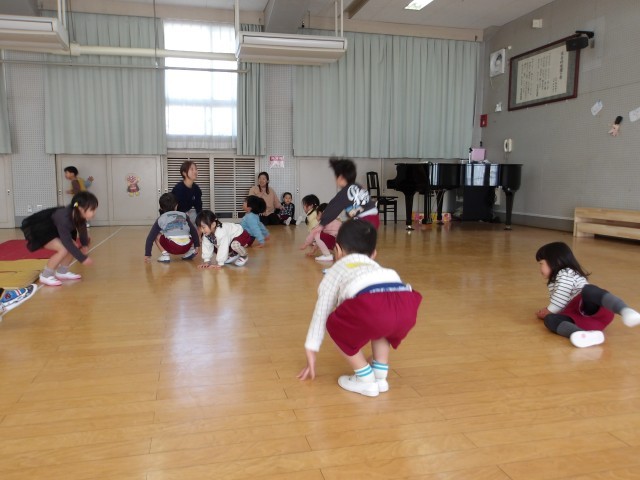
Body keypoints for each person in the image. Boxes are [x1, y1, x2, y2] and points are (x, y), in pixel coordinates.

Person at [297, 220, 422, 397]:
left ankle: (365, 378)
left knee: (334, 323)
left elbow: (322, 311)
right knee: (381, 325)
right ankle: (380, 375)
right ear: (374, 253)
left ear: (337, 250)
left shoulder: (336, 269)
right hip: (405, 304)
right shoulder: (376, 266)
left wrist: (311, 347)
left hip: (373, 306)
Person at [535, 242, 640, 348]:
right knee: (550, 319)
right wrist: (550, 314)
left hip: (593, 307)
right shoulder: (555, 280)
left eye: (541, 263)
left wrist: (549, 310)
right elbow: (562, 303)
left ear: (555, 261)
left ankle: (624, 310)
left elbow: (560, 299)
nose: (540, 268)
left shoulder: (565, 272)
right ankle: (582, 334)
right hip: (585, 320)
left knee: (588, 290)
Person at [20, 191, 98, 286]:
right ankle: (45, 275)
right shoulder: (63, 218)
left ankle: (62, 272)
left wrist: (84, 245)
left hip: (55, 230)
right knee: (63, 249)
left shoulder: (79, 215)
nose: (94, 213)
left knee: (74, 245)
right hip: (42, 231)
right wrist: (82, 259)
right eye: (92, 209)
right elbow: (67, 242)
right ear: (81, 209)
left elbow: (82, 230)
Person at [314, 158, 379, 242]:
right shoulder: (358, 186)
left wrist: (322, 222)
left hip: (364, 221)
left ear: (340, 178)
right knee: (363, 242)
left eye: (335, 177)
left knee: (345, 238)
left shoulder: (344, 192)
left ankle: (339, 248)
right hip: (375, 218)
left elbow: (333, 208)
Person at [144, 193, 200, 263]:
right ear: (176, 206)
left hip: (172, 247)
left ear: (161, 208)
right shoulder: (184, 215)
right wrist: (197, 245)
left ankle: (165, 255)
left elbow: (150, 237)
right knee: (188, 230)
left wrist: (147, 254)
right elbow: (194, 231)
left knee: (156, 235)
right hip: (187, 246)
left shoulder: (161, 219)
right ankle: (191, 251)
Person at [171, 160, 202, 224]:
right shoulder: (178, 189)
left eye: (196, 169)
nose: (195, 171)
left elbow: (198, 207)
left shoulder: (196, 189)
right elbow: (175, 209)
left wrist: (202, 218)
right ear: (184, 173)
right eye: (192, 169)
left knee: (203, 218)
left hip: (186, 214)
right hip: (174, 216)